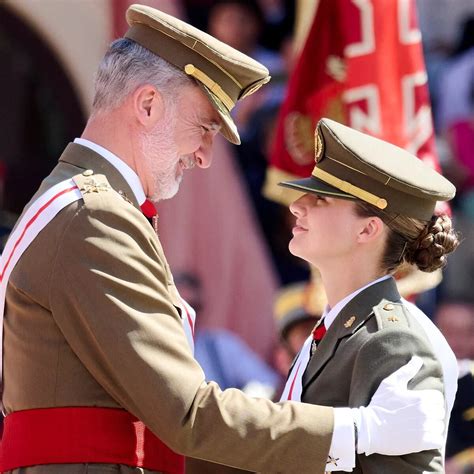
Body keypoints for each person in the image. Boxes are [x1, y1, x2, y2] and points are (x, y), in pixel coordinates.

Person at [0, 6, 445, 474]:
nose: (206, 156)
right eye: (205, 127)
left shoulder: (82, 204)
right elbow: (187, 414)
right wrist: (360, 432)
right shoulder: (95, 217)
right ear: (147, 105)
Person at [279, 117, 460, 473]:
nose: (297, 205)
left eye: (320, 199)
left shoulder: (392, 339)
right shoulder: (340, 325)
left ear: (368, 228)